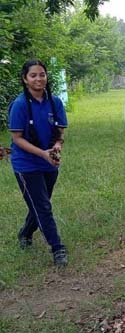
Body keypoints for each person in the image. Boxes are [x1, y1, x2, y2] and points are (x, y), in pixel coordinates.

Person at [8, 59, 68, 267]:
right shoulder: (20, 105)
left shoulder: (55, 102)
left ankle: (25, 233)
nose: (38, 79)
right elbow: (17, 138)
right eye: (33, 75)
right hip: (26, 164)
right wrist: (41, 153)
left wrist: (57, 146)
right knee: (42, 206)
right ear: (25, 79)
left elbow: (60, 133)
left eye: (41, 74)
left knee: (39, 203)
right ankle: (57, 247)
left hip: (49, 162)